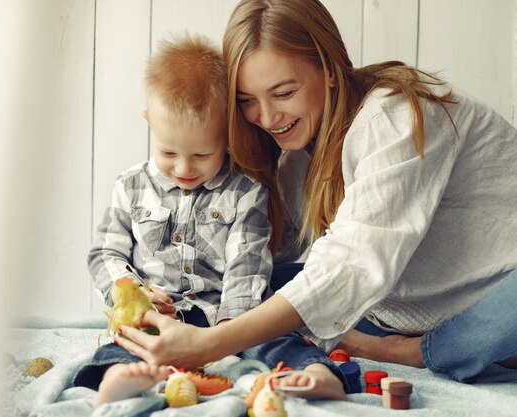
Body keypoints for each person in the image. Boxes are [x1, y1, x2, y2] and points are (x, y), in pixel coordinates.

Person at [115, 0, 517, 390]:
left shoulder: (395, 114)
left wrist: (214, 342)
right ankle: (328, 357)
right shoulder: (295, 162)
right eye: (247, 101)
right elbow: (266, 259)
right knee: (246, 283)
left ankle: (413, 352)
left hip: (493, 291)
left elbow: (352, 264)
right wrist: (171, 287)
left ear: (327, 67)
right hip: (401, 306)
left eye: (284, 93)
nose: (268, 118)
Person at [73, 33, 347, 407]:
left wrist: (226, 336)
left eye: (202, 153)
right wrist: (134, 293)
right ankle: (119, 377)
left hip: (227, 318)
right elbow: (105, 252)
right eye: (169, 152)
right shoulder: (131, 186)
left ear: (227, 133)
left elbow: (246, 268)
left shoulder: (245, 192)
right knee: (127, 340)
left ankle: (317, 374)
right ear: (150, 121)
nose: (184, 168)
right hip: (157, 315)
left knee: (276, 337)